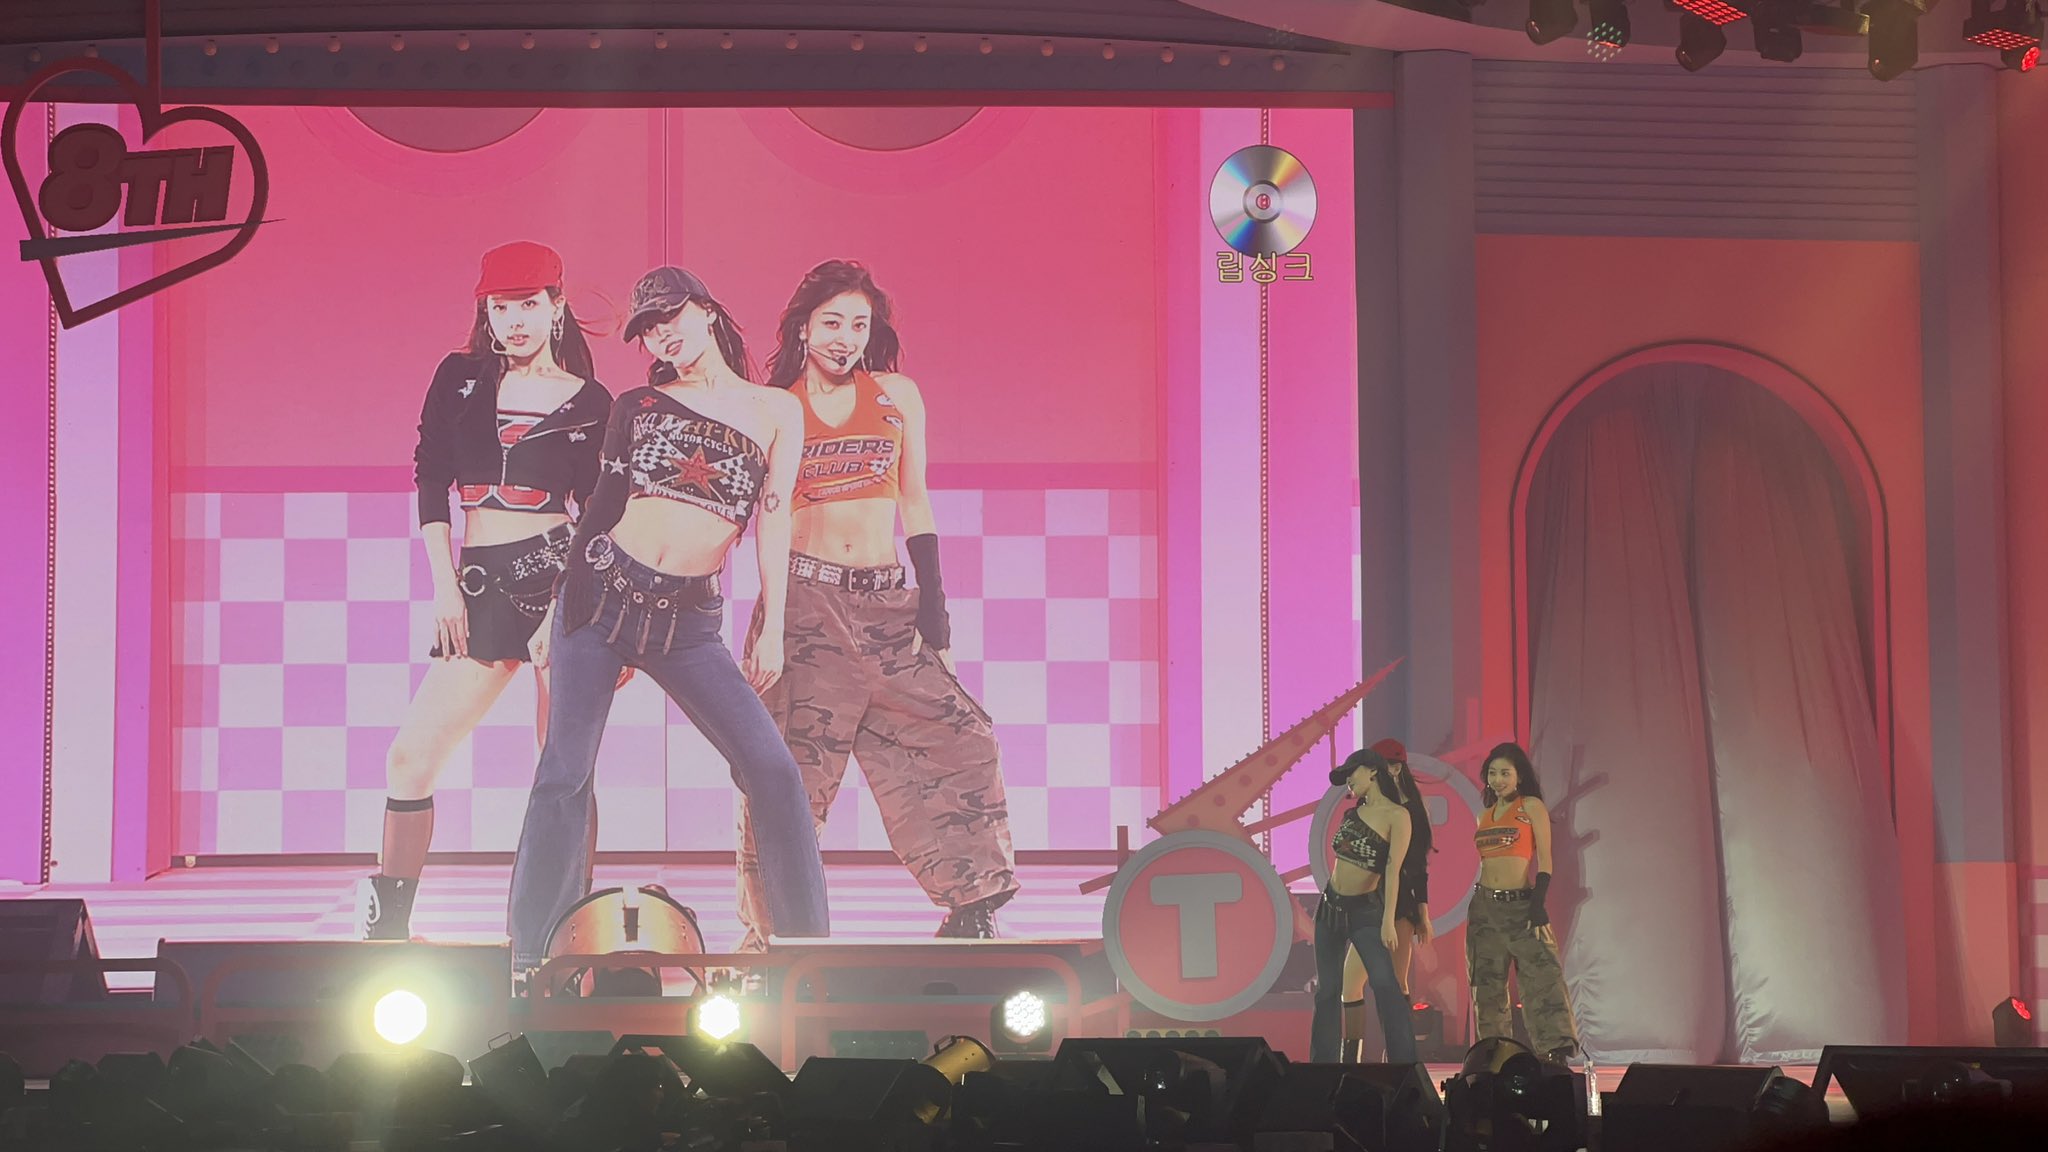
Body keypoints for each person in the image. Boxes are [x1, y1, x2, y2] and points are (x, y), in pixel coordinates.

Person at [505, 266, 830, 982]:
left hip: (689, 624)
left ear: (708, 311)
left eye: (673, 317)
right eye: (650, 329)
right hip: (600, 598)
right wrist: (555, 606)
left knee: (773, 771)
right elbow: (601, 506)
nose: (663, 335)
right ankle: (528, 960)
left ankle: (810, 960)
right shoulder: (638, 403)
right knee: (563, 775)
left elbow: (775, 519)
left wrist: (773, 623)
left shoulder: (777, 409)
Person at [733, 260, 1017, 947]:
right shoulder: (775, 406)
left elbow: (915, 501)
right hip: (806, 605)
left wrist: (934, 612)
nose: (845, 338)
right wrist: (769, 624)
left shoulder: (897, 395)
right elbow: (764, 514)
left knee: (961, 739)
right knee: (789, 773)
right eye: (831, 322)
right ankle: (770, 937)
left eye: (858, 325)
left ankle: (971, 907)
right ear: (803, 328)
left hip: (889, 604)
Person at [358, 241, 611, 941]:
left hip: (559, 584)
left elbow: (596, 515)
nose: (515, 320)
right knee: (410, 759)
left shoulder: (592, 402)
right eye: (501, 307)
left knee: (564, 773)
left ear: (557, 307)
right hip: (476, 586)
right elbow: (430, 475)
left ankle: (564, 937)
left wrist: (563, 608)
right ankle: (389, 935)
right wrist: (446, 589)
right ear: (487, 313)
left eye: (529, 304)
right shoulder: (459, 377)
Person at [1469, 741, 1580, 1063]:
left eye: (1505, 773)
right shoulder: (1484, 815)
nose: (1498, 779)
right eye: (1492, 773)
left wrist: (1538, 903)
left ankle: (1554, 1053)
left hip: (1521, 905)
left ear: (1519, 776)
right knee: (1486, 985)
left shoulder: (1531, 806)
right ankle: (1494, 1056)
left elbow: (1545, 859)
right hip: (1484, 909)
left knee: (1542, 978)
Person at [1311, 747, 1417, 1065]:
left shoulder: (1398, 815)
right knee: (1328, 990)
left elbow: (1393, 871)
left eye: (1351, 774)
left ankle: (1404, 1065)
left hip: (1365, 911)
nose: (1348, 783)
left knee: (1385, 984)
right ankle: (1323, 1066)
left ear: (1372, 771)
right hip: (1329, 907)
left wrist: (1388, 920)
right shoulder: (1352, 814)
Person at [1338, 737, 1434, 1060]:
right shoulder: (1363, 808)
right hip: (1366, 903)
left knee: (1396, 983)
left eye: (1388, 766)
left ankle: (1398, 1058)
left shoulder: (1409, 811)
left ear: (1396, 769)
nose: (1383, 772)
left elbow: (1417, 866)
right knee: (1350, 982)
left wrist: (1423, 913)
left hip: (1398, 906)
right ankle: (1349, 1059)